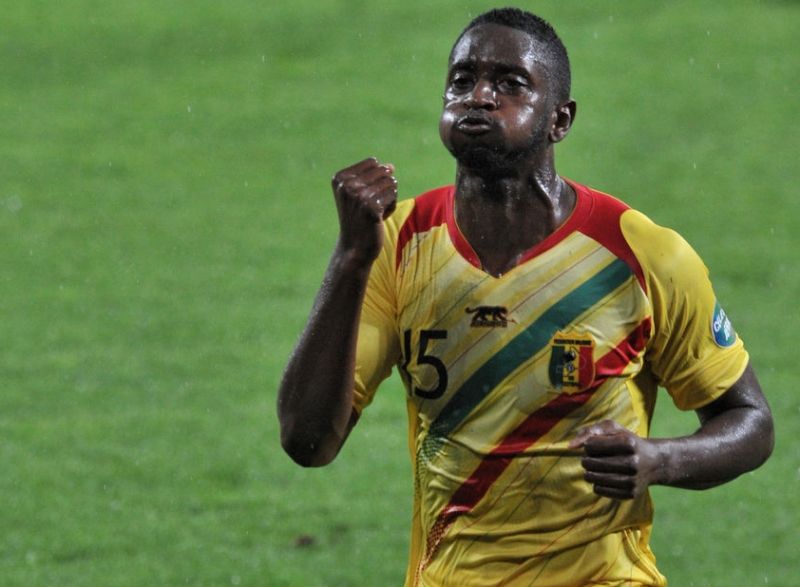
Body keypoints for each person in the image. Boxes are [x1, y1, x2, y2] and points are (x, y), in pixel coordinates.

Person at [277, 7, 774, 586]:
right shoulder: (397, 243)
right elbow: (308, 441)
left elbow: (750, 421)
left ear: (560, 120)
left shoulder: (641, 254)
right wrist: (350, 258)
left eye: (510, 83)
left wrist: (661, 460)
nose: (479, 97)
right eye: (462, 80)